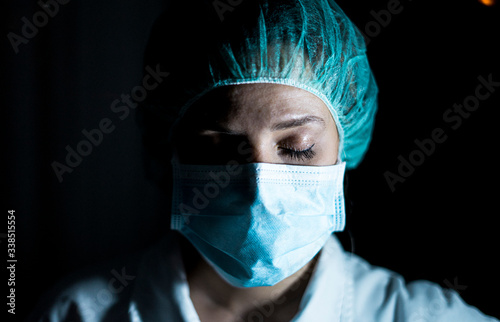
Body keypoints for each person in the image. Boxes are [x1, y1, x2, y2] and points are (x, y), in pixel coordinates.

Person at [30, 0, 498, 321]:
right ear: (169, 151)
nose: (258, 187)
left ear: (345, 145)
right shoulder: (77, 312)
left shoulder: (420, 316)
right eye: (219, 149)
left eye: (296, 148)